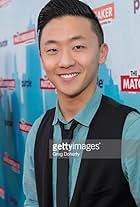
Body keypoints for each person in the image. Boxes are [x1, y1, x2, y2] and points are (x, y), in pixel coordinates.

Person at [23, 0, 140, 206]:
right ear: (41, 59)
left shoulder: (129, 130)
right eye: (52, 50)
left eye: (78, 47)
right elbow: (33, 200)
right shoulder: (38, 130)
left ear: (102, 52)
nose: (65, 61)